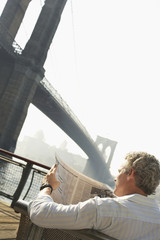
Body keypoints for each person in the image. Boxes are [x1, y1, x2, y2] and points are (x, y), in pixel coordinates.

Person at [28, 152, 160, 240]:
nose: (115, 178)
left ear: (131, 173)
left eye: (119, 171)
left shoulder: (105, 209)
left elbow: (40, 214)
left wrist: (47, 187)